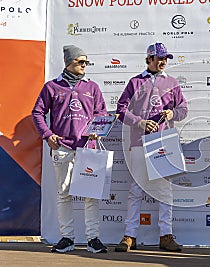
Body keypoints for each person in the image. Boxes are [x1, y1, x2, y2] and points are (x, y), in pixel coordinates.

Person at [32, 45, 108, 253]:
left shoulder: (92, 87)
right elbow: (37, 113)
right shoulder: (51, 87)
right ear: (69, 62)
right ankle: (67, 238)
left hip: (88, 148)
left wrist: (97, 130)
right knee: (64, 193)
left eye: (86, 62)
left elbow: (101, 113)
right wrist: (48, 135)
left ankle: (93, 239)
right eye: (80, 62)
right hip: (63, 147)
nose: (84, 65)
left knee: (91, 195)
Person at [115, 42, 188, 253]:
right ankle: (130, 235)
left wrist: (173, 113)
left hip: (164, 143)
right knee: (136, 189)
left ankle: (166, 235)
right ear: (149, 59)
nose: (163, 62)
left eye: (166, 58)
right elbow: (120, 110)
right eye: (159, 58)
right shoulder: (135, 82)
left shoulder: (172, 82)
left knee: (165, 190)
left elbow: (183, 109)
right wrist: (139, 122)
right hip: (139, 143)